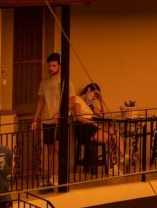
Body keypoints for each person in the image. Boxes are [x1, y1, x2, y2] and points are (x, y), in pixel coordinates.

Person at [31, 52, 74, 188]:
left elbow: (72, 101)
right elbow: (40, 101)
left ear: (59, 66)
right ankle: (51, 175)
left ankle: (56, 176)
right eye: (49, 66)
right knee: (49, 149)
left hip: (59, 121)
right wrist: (35, 119)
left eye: (54, 65)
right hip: (46, 120)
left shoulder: (66, 82)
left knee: (57, 149)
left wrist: (60, 113)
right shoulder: (44, 83)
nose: (51, 68)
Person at [73, 82, 124, 173]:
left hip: (92, 125)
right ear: (88, 90)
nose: (94, 97)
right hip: (84, 128)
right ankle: (113, 164)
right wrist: (91, 122)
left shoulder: (90, 105)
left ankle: (120, 158)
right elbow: (78, 116)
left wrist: (101, 100)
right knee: (111, 137)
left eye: (97, 96)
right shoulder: (77, 99)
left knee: (115, 131)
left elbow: (103, 115)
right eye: (95, 94)